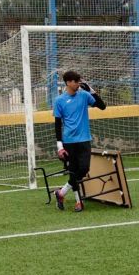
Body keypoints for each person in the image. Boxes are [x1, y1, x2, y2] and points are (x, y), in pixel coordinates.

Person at [51, 70, 106, 213]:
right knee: (73, 171)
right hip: (69, 142)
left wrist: (91, 91)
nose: (78, 84)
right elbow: (57, 124)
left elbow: (102, 106)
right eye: (76, 81)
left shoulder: (84, 95)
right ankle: (78, 202)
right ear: (68, 82)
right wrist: (59, 146)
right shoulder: (59, 100)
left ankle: (61, 192)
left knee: (84, 169)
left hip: (84, 139)